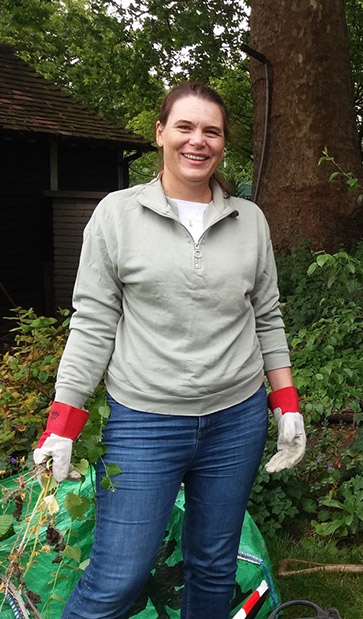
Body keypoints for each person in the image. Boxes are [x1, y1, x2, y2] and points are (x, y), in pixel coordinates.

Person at [32, 82, 306, 617]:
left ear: (224, 143)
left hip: (236, 420)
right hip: (145, 422)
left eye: (212, 131)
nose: (197, 141)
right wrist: (63, 423)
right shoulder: (116, 215)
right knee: (116, 579)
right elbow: (93, 324)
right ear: (161, 133)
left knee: (212, 566)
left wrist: (286, 402)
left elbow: (266, 317)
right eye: (185, 127)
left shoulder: (249, 220)